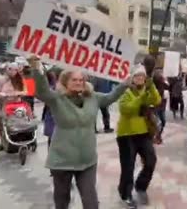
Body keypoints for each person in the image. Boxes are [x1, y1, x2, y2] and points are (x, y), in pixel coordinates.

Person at [29, 56, 128, 209]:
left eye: (81, 80)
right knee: (62, 202)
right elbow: (41, 91)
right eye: (74, 80)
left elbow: (111, 97)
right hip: (62, 161)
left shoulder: (93, 97)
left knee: (91, 203)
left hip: (87, 160)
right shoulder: (57, 99)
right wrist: (36, 68)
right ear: (65, 82)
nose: (78, 82)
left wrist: (126, 83)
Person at [116, 65, 161, 208]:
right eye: (137, 76)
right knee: (128, 166)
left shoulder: (146, 90)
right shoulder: (126, 91)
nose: (140, 78)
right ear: (132, 78)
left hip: (143, 133)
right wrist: (141, 97)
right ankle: (125, 193)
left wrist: (152, 86)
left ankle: (141, 186)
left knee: (151, 160)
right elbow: (127, 109)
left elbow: (157, 100)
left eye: (142, 76)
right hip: (126, 134)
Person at [42, 70, 57, 148]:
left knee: (52, 138)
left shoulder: (50, 88)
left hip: (52, 114)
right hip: (52, 115)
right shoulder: (52, 87)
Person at [153, 70, 169, 142]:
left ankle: (158, 135)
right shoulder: (153, 84)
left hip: (162, 105)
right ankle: (155, 137)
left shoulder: (163, 83)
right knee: (157, 122)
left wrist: (166, 82)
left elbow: (169, 87)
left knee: (163, 121)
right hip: (155, 105)